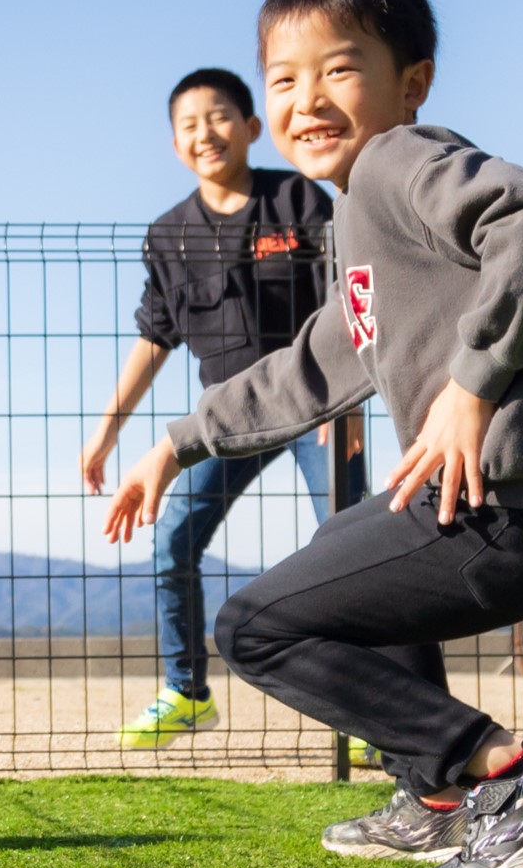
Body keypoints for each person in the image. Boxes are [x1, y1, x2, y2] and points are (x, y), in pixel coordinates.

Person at [102, 0, 523, 868]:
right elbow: (315, 364)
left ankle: (509, 768)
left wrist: (473, 385)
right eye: (284, 79)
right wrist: (178, 439)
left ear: (412, 84)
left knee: (256, 628)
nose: (307, 97)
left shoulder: (399, 164)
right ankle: (436, 801)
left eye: (339, 69)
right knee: (348, 555)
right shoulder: (357, 216)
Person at [83, 69, 428, 751]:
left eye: (217, 118)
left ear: (249, 127)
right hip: (224, 419)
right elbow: (155, 337)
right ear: (175, 142)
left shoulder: (304, 200)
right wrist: (106, 433)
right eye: (187, 124)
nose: (203, 134)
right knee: (171, 542)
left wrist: (354, 407)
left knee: (358, 549)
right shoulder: (169, 235)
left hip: (319, 406)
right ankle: (185, 691)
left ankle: (379, 709)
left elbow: (355, 301)